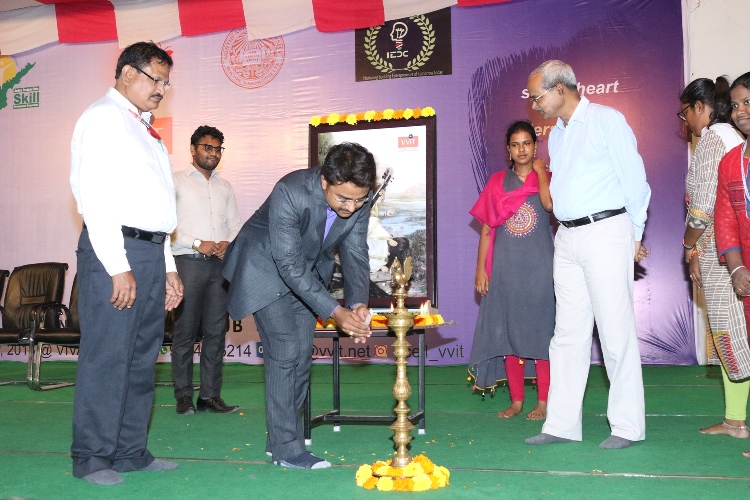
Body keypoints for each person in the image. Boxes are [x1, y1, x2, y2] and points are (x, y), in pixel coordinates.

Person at [69, 41, 183, 485]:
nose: (162, 89)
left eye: (166, 82)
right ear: (127, 74)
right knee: (108, 356)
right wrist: (117, 264)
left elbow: (158, 208)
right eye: (156, 79)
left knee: (141, 357)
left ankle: (131, 450)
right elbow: (93, 198)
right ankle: (93, 456)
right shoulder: (103, 118)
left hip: (151, 251)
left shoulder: (144, 127)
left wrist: (168, 263)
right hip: (114, 250)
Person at [222, 142, 376, 469]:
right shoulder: (290, 190)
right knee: (285, 351)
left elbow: (355, 254)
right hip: (265, 267)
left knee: (301, 355)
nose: (351, 207)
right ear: (324, 182)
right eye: (343, 199)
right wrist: (336, 312)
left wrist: (358, 303)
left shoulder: (359, 200)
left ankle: (281, 435)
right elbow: (288, 264)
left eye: (359, 199)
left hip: (306, 272)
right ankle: (287, 450)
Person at [524, 60, 651, 449]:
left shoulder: (606, 120)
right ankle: (561, 424)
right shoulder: (557, 135)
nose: (534, 105)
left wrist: (634, 235)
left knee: (615, 332)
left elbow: (635, 182)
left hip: (606, 231)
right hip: (567, 237)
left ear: (560, 89)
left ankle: (628, 426)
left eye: (537, 96)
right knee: (566, 334)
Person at [467, 120, 554, 421]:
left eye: (527, 143)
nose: (521, 149)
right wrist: (481, 269)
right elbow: (487, 230)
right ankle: (517, 400)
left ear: (535, 146)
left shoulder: (548, 178)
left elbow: (549, 205)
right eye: (515, 144)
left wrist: (542, 174)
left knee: (542, 335)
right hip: (504, 270)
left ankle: (543, 402)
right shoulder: (497, 183)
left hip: (540, 269)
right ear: (508, 149)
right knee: (509, 335)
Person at [679, 78, 749, 439]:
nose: (685, 121)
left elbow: (703, 210)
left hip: (726, 255)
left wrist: (689, 245)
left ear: (700, 107)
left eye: (684, 112)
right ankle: (735, 419)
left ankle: (737, 421)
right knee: (737, 335)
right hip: (733, 249)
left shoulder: (713, 141)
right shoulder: (735, 140)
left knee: (732, 335)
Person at [171, 125, 242, 415]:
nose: (213, 153)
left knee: (215, 333)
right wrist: (197, 242)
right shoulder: (175, 182)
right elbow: (168, 227)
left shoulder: (225, 186)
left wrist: (229, 242)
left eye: (217, 149)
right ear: (193, 149)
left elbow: (236, 224)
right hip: (187, 263)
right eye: (207, 147)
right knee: (185, 333)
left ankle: (210, 396)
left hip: (220, 268)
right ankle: (184, 397)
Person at [713, 71, 750, 457]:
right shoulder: (731, 162)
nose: (741, 111)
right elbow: (725, 218)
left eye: (747, 102)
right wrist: (737, 268)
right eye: (736, 105)